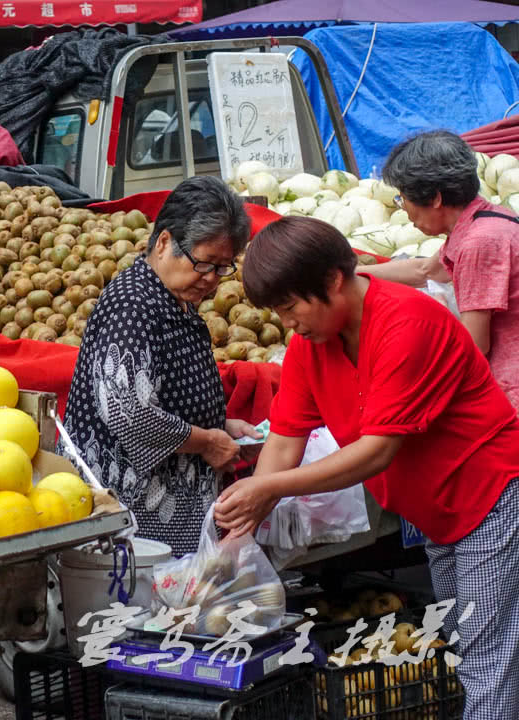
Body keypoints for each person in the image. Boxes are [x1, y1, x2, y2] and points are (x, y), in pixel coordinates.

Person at [214, 215, 519, 720]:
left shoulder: (406, 324)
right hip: (431, 508)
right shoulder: (311, 346)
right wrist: (246, 517)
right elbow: (285, 439)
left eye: (290, 307)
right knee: (464, 639)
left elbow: (377, 451)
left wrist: (266, 491)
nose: (287, 322)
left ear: (333, 281)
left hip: (487, 493)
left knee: (486, 653)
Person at [59, 175, 261, 556]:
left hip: (168, 510)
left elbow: (163, 393)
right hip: (132, 514)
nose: (212, 281)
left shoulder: (174, 300)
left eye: (222, 268)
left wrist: (220, 424)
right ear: (165, 242)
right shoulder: (133, 306)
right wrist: (206, 441)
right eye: (204, 264)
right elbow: (126, 413)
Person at [361, 130, 519, 409]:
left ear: (434, 199)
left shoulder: (479, 242)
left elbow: (475, 346)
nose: (404, 209)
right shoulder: (486, 218)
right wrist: (351, 275)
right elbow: (426, 271)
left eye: (402, 198)